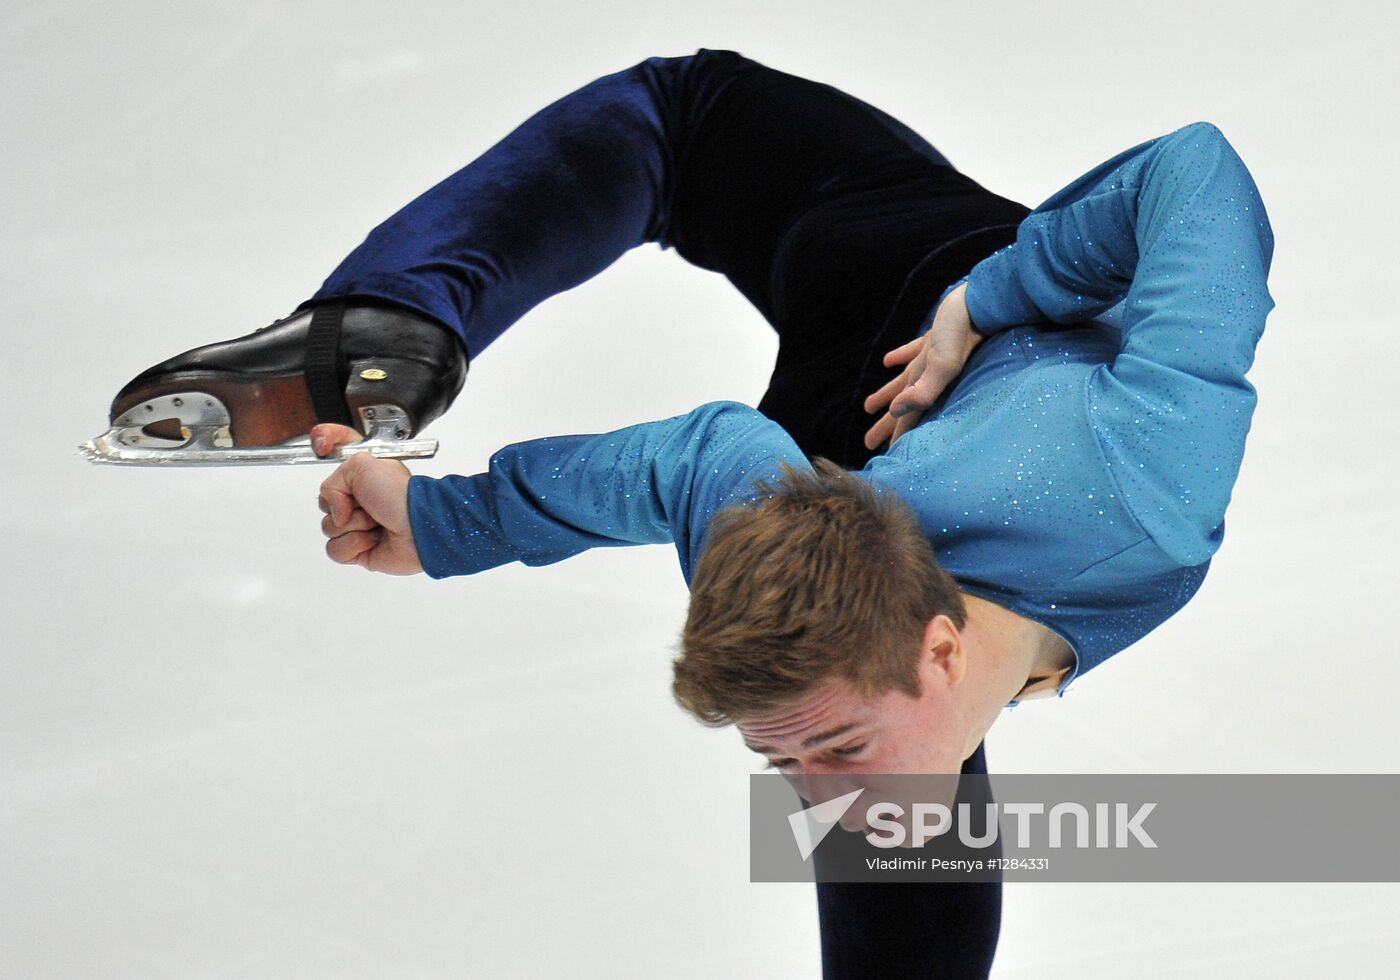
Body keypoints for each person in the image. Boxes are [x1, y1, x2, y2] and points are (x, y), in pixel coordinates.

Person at [105, 49, 1275, 977]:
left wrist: (992, 295)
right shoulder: (1094, 499)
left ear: (939, 644)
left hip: (926, 313)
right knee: (678, 117)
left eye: (821, 751)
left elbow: (1193, 170)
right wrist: (444, 522)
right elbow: (699, 452)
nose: (817, 794)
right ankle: (379, 326)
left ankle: (390, 308)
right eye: (798, 759)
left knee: (684, 123)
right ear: (939, 642)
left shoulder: (1121, 463)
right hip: (872, 281)